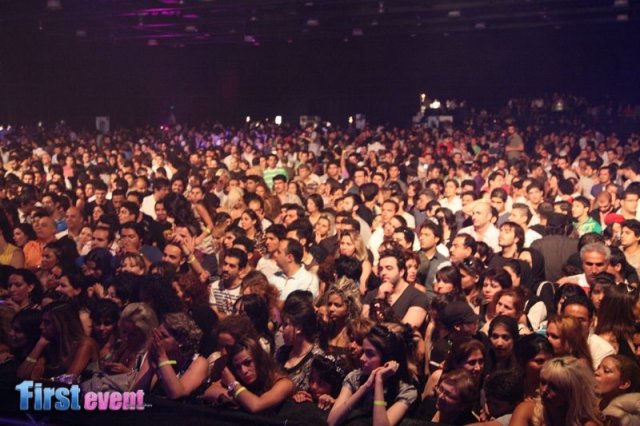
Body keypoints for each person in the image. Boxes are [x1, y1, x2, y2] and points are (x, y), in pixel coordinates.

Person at [328, 324, 418, 426]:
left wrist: (379, 381)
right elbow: (332, 421)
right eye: (363, 352)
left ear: (387, 359)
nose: (362, 358)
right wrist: (365, 387)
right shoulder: (355, 377)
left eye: (370, 354)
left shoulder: (405, 391)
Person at [132, 312, 207, 399]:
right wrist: (151, 368)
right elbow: (135, 395)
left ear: (182, 341)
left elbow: (177, 395)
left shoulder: (199, 362)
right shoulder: (156, 354)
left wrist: (162, 357)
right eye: (156, 334)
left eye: (163, 336)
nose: (157, 339)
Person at [510, 356, 603, 426]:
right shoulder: (526, 411)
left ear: (571, 392)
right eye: (543, 382)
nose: (544, 390)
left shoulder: (587, 423)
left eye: (554, 387)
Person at [17, 301, 98, 381]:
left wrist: (44, 380)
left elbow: (68, 379)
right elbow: (22, 375)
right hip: (55, 388)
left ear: (62, 324)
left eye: (47, 322)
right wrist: (39, 345)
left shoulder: (85, 344)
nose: (41, 326)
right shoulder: (51, 343)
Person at [219, 336, 295, 413]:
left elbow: (256, 405)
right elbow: (212, 391)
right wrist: (240, 396)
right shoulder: (237, 378)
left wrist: (233, 385)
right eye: (238, 367)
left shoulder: (284, 383)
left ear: (259, 359)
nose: (244, 371)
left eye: (248, 362)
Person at [362, 248, 428, 329]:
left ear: (401, 272)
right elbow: (363, 326)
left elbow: (405, 331)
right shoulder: (372, 294)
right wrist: (378, 299)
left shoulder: (418, 297)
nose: (383, 272)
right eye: (381, 269)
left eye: (389, 268)